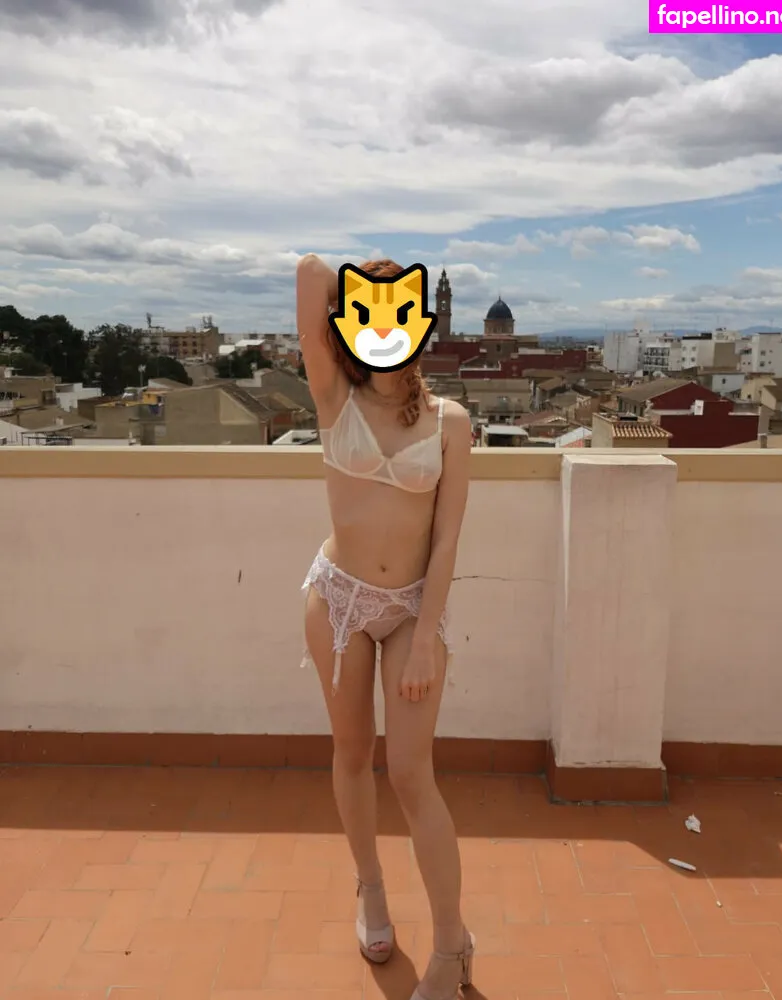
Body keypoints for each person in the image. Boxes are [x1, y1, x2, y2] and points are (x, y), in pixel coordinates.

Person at [297, 254, 475, 1000]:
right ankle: (369, 888)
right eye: (366, 314)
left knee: (410, 774)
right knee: (351, 753)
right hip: (337, 601)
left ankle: (452, 945)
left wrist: (427, 635)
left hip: (409, 610)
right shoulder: (332, 396)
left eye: (396, 313)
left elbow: (447, 539)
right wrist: (359, 285)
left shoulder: (450, 422)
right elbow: (309, 273)